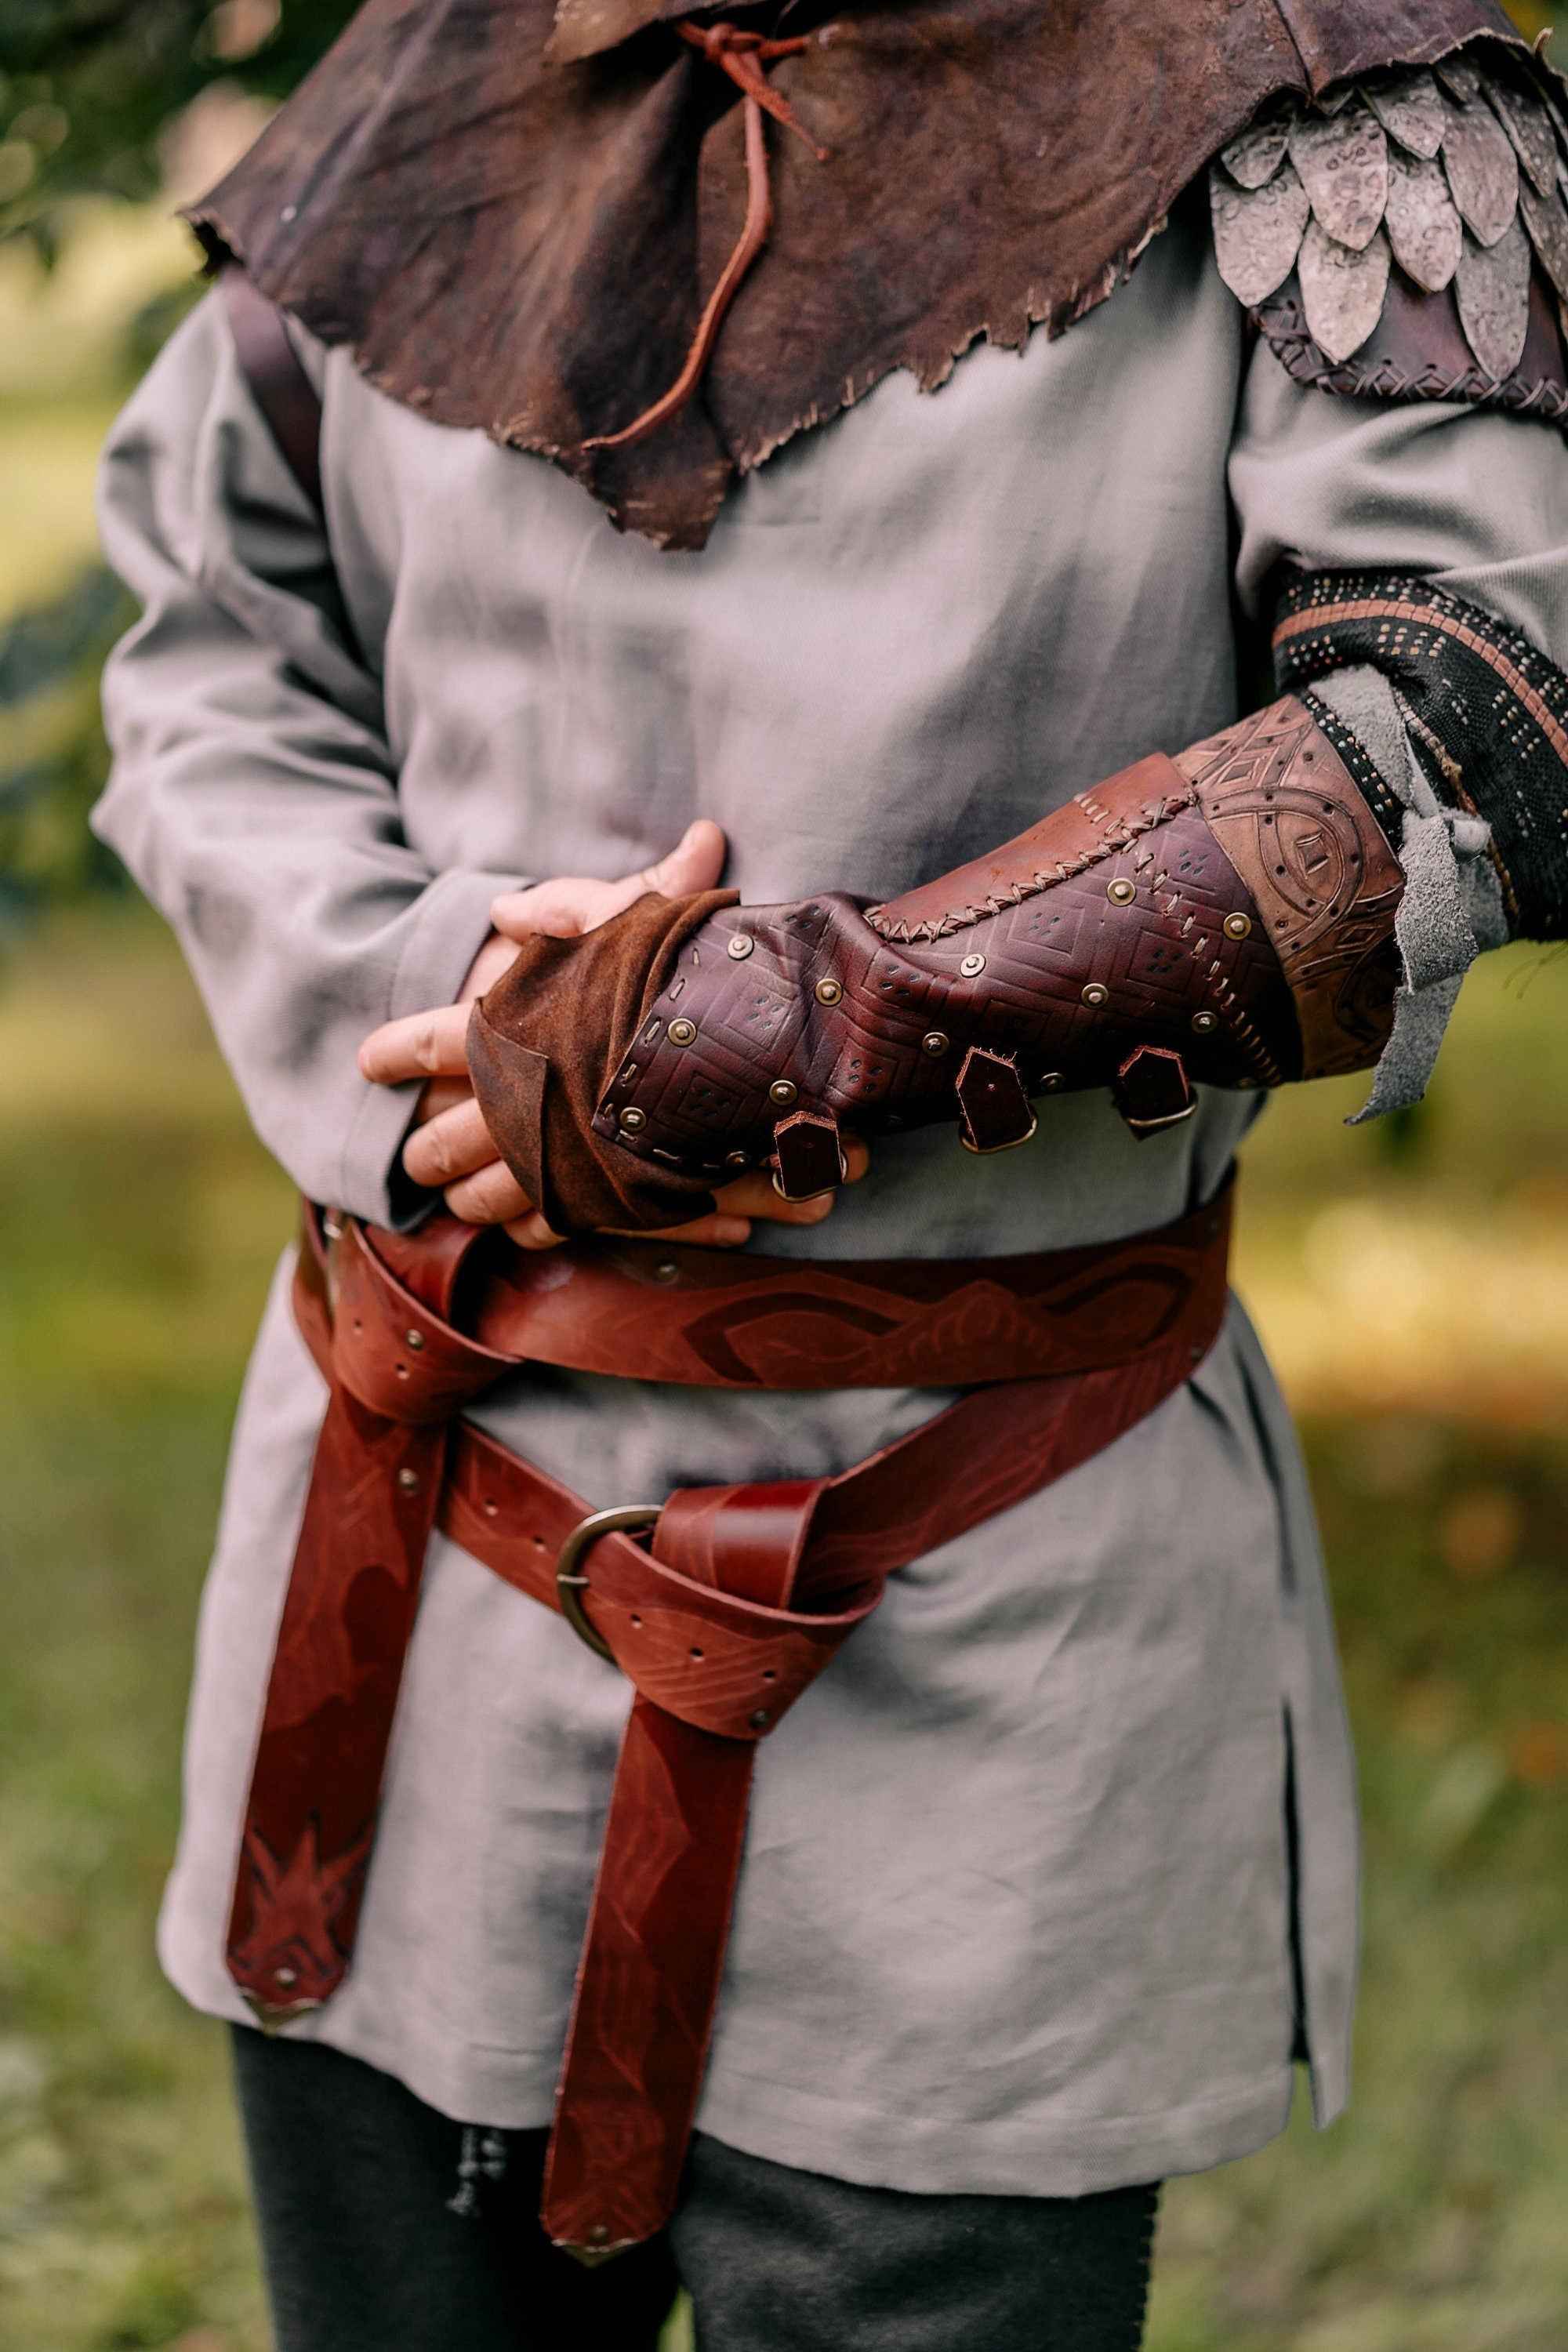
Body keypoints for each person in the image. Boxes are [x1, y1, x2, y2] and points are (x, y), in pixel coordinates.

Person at [93, 0, 1568, 2344]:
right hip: (407, 1566)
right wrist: (452, 1003)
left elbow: (1481, 723)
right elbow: (212, 649)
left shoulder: (1325, 91)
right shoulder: (438, 65)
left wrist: (806, 1033)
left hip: (983, 1590)